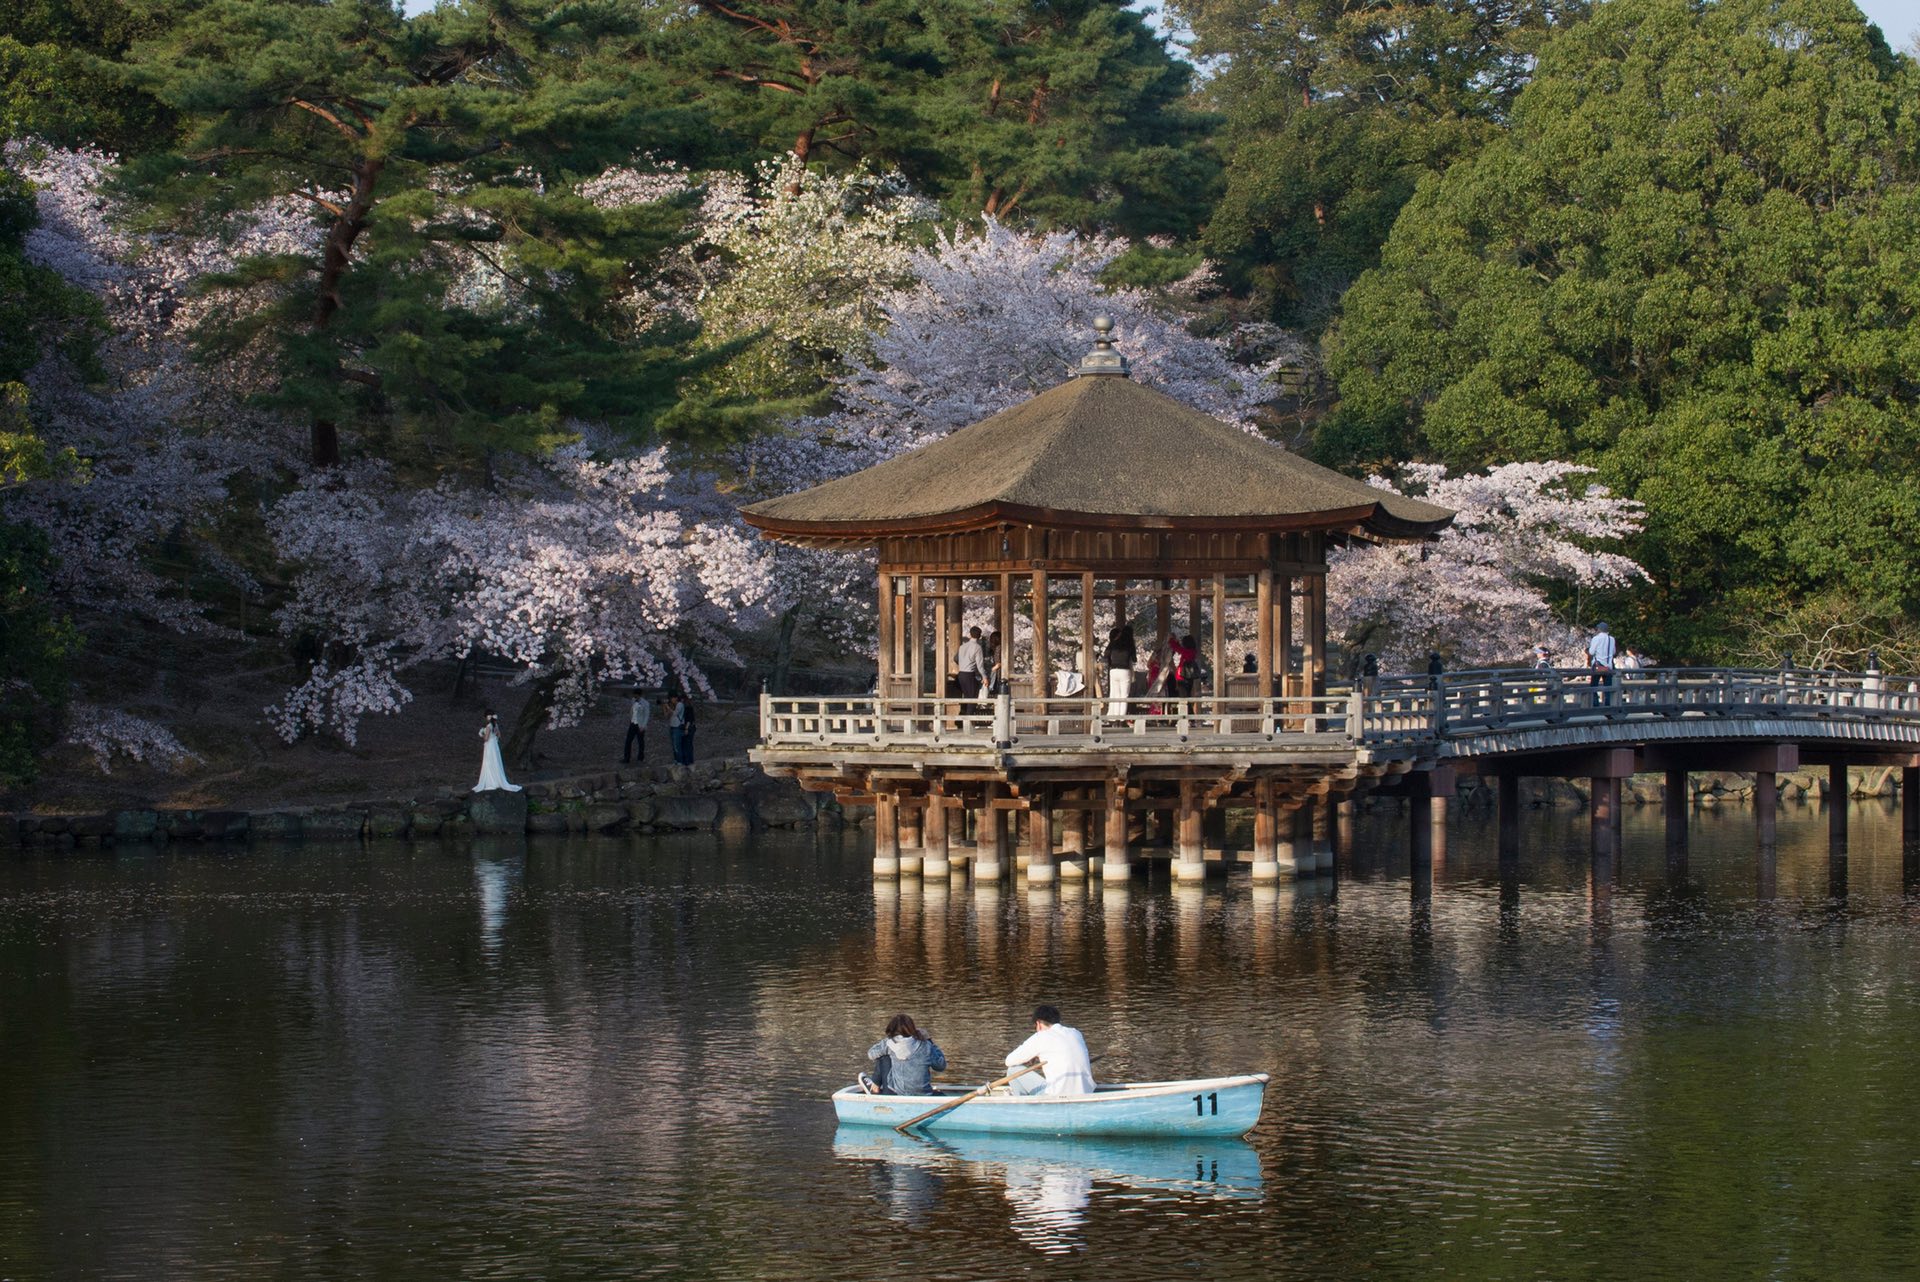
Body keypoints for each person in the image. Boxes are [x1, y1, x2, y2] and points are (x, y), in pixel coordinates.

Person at [1004, 1004, 1095, 1096]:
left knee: (1013, 1070)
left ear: (1038, 1024)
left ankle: (1022, 1102)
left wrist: (1031, 1057)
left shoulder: (1040, 1037)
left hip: (1056, 1095)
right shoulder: (1075, 1033)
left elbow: (1009, 1061)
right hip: (1086, 1092)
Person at [864, 1013, 947, 1096]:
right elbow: (941, 1066)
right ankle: (875, 1086)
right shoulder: (925, 1045)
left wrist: (886, 1042)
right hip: (923, 1093)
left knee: (884, 1057)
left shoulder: (889, 1044)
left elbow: (871, 1054)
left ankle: (875, 1087)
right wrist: (929, 1040)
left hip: (897, 1093)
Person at [472, 712, 521, 793]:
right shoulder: (495, 725)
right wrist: (493, 737)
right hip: (494, 745)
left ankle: (490, 780)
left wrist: (481, 734)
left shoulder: (488, 726)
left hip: (489, 746)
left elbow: (486, 738)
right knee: (495, 761)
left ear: (487, 717)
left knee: (489, 761)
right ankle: (497, 779)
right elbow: (499, 735)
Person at [1104, 624, 1136, 718]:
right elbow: (1134, 659)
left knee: (1116, 695)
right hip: (1124, 670)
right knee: (1124, 696)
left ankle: (1114, 718)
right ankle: (1121, 719)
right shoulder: (1130, 644)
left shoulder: (1114, 643)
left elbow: (1106, 654)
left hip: (1113, 670)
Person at [1586, 621, 1618, 705]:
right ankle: (1608, 704)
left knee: (1594, 685)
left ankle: (1595, 703)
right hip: (1608, 666)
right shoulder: (1611, 639)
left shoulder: (1596, 638)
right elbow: (1614, 652)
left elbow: (1591, 652)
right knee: (1608, 687)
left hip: (1598, 665)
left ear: (1599, 629)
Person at [956, 626, 989, 703]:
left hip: (961, 674)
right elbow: (980, 665)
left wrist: (963, 663)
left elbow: (955, 658)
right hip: (969, 674)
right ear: (979, 636)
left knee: (965, 697)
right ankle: (970, 711)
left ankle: (963, 710)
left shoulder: (962, 646)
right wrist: (984, 677)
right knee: (972, 699)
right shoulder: (977, 647)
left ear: (970, 634)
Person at [622, 690, 651, 764]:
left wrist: (643, 726)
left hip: (640, 725)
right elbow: (632, 711)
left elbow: (646, 715)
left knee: (640, 742)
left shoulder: (645, 703)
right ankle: (626, 758)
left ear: (639, 695)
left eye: (636, 696)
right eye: (634, 696)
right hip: (633, 723)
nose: (635, 697)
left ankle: (640, 758)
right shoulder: (633, 700)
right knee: (628, 741)